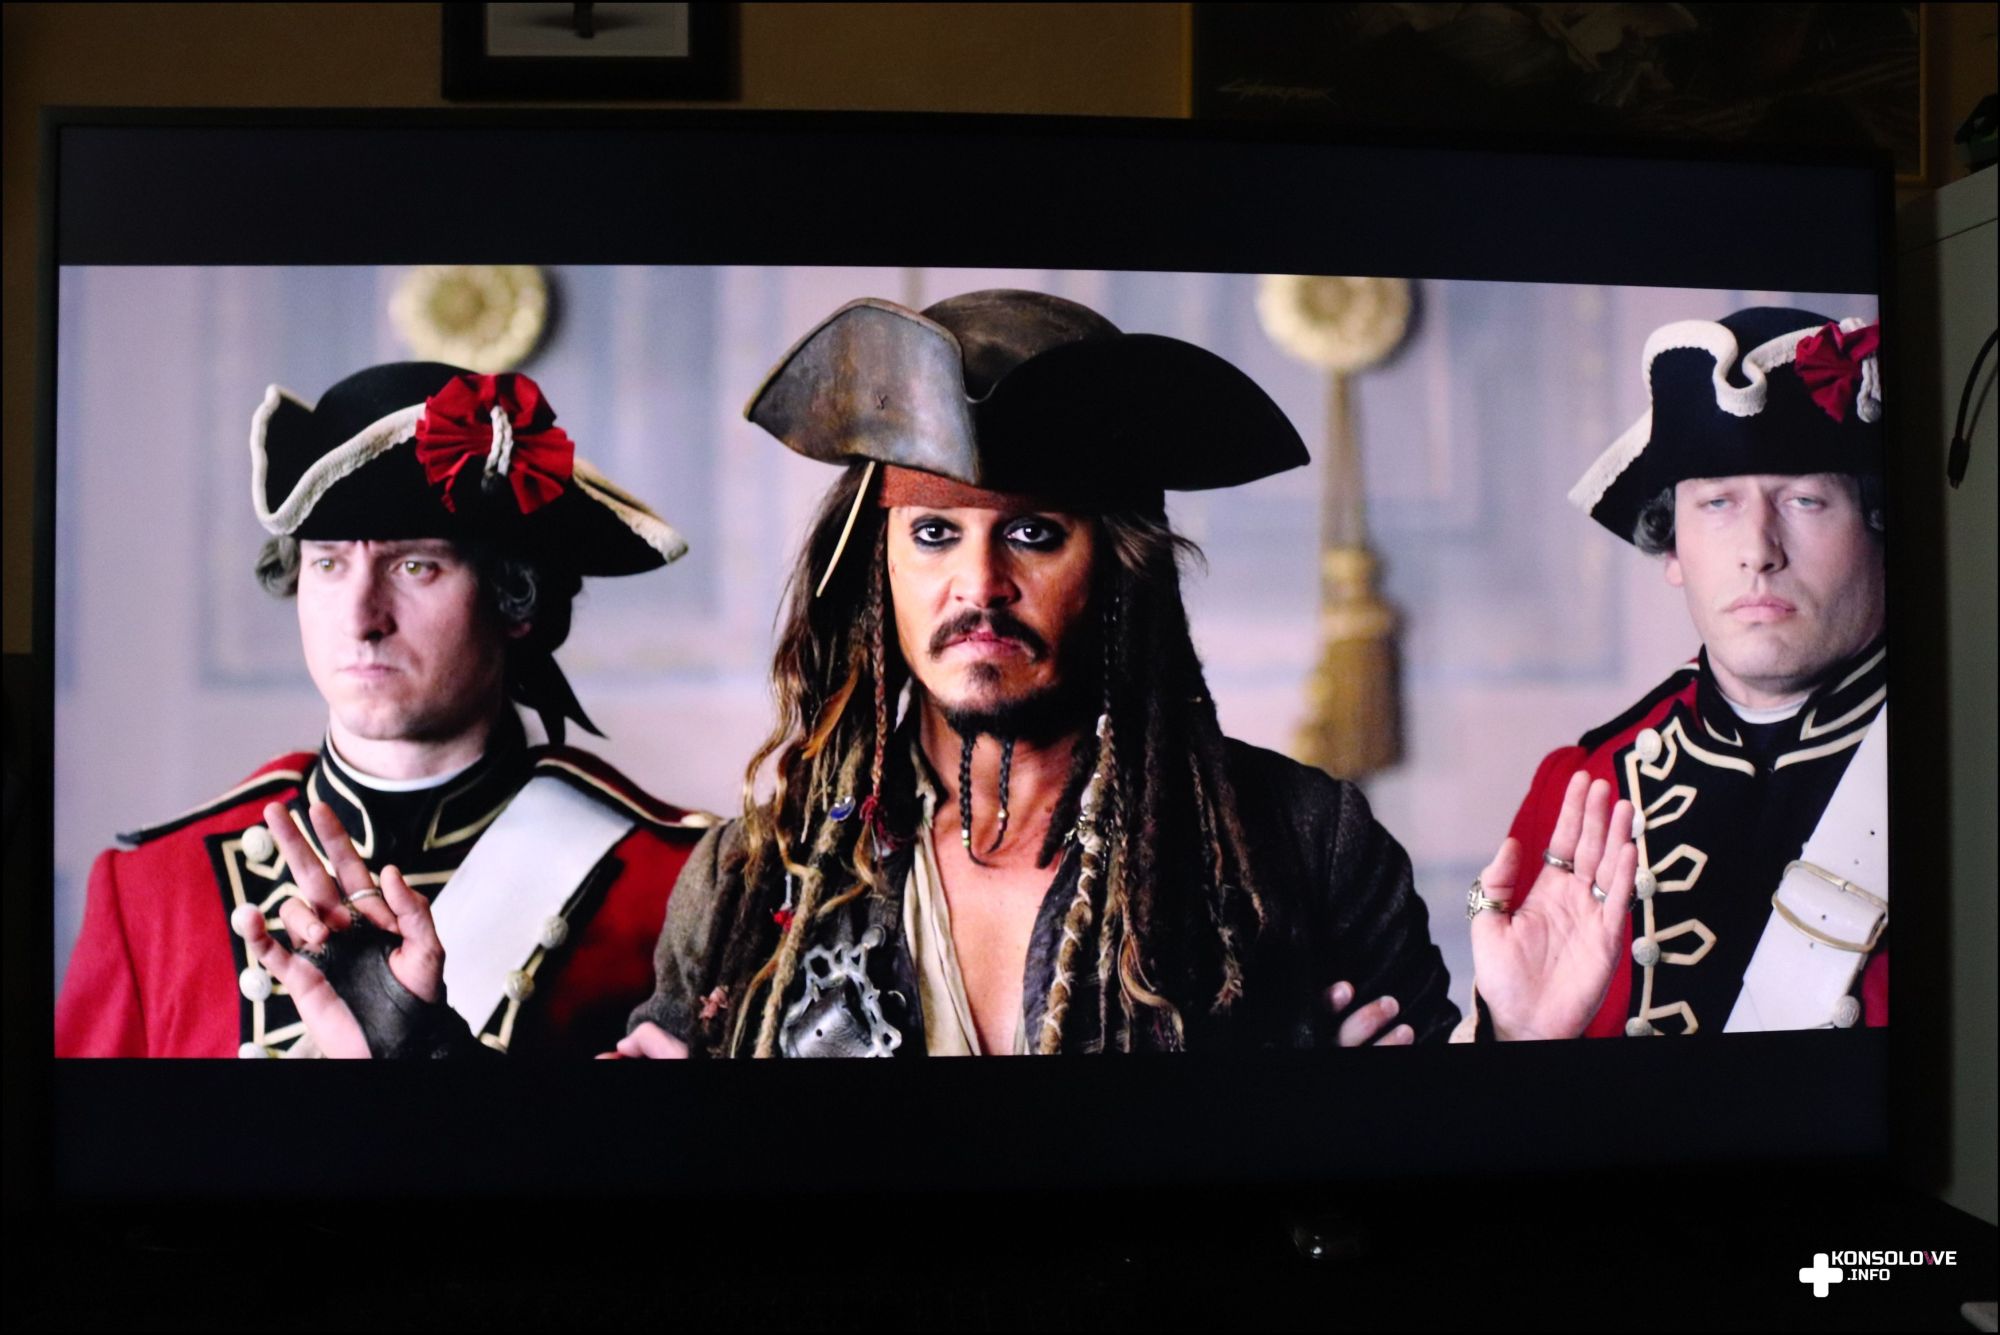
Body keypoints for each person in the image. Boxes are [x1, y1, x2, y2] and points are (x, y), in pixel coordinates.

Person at [55, 362, 714, 1058]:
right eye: (328, 564)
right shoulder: (153, 891)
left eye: (414, 566)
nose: (361, 618)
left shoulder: (676, 884)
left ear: (516, 598)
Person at [1463, 307, 1889, 1040]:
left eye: (1804, 499)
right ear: (1672, 549)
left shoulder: (1963, 763)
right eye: (1718, 502)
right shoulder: (1587, 786)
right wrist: (1514, 1039)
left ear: (1881, 526)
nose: (1758, 549)